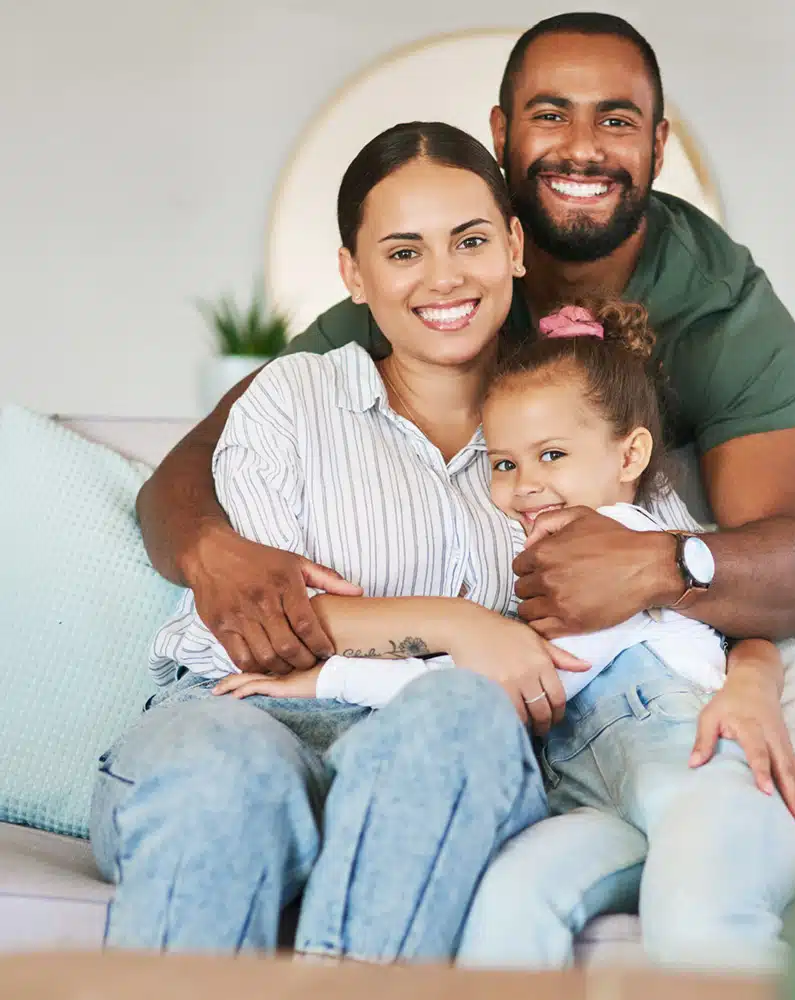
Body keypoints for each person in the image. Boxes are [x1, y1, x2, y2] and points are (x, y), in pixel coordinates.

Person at [135, 11, 795, 797]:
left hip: (581, 709)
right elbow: (200, 458)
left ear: (657, 143)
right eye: (550, 115)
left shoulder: (719, 309)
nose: (582, 147)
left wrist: (657, 567)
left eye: (615, 119)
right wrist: (212, 548)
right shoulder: (425, 291)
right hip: (416, 701)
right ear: (503, 131)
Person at [90, 122, 585, 959]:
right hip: (237, 717)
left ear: (514, 246)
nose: (443, 277)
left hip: (437, 755)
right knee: (224, 777)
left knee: (462, 711)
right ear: (354, 275)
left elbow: (646, 587)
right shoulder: (295, 395)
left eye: (469, 240)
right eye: (402, 252)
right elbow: (267, 629)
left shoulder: (573, 422)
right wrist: (466, 624)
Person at [211, 297, 795, 971]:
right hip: (603, 804)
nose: (526, 486)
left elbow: (503, 683)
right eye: (503, 464)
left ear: (631, 453)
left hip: (710, 787)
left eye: (552, 455)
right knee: (509, 906)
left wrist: (319, 680)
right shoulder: (545, 571)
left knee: (696, 924)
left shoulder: (630, 547)